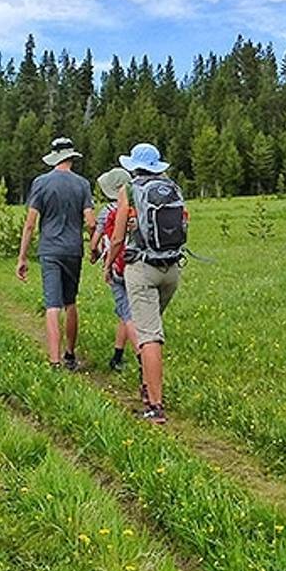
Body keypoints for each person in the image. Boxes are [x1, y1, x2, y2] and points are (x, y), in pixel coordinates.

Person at [107, 142, 187, 425]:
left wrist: (108, 265)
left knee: (149, 335)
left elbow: (117, 238)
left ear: (133, 166)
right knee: (148, 328)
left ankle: (154, 406)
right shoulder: (172, 188)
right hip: (172, 269)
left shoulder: (128, 190)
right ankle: (147, 386)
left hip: (142, 269)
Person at [16, 136, 96, 370]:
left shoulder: (41, 183)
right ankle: (70, 355)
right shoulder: (82, 184)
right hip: (73, 250)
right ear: (71, 157)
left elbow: (30, 223)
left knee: (52, 305)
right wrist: (95, 245)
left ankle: (54, 361)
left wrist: (22, 257)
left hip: (49, 250)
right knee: (70, 302)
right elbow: (90, 221)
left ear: (54, 157)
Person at [88, 167, 137, 371]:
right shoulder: (138, 206)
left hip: (116, 265)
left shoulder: (107, 211)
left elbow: (94, 243)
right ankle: (117, 356)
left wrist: (97, 256)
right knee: (126, 312)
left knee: (126, 314)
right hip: (137, 263)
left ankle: (142, 356)